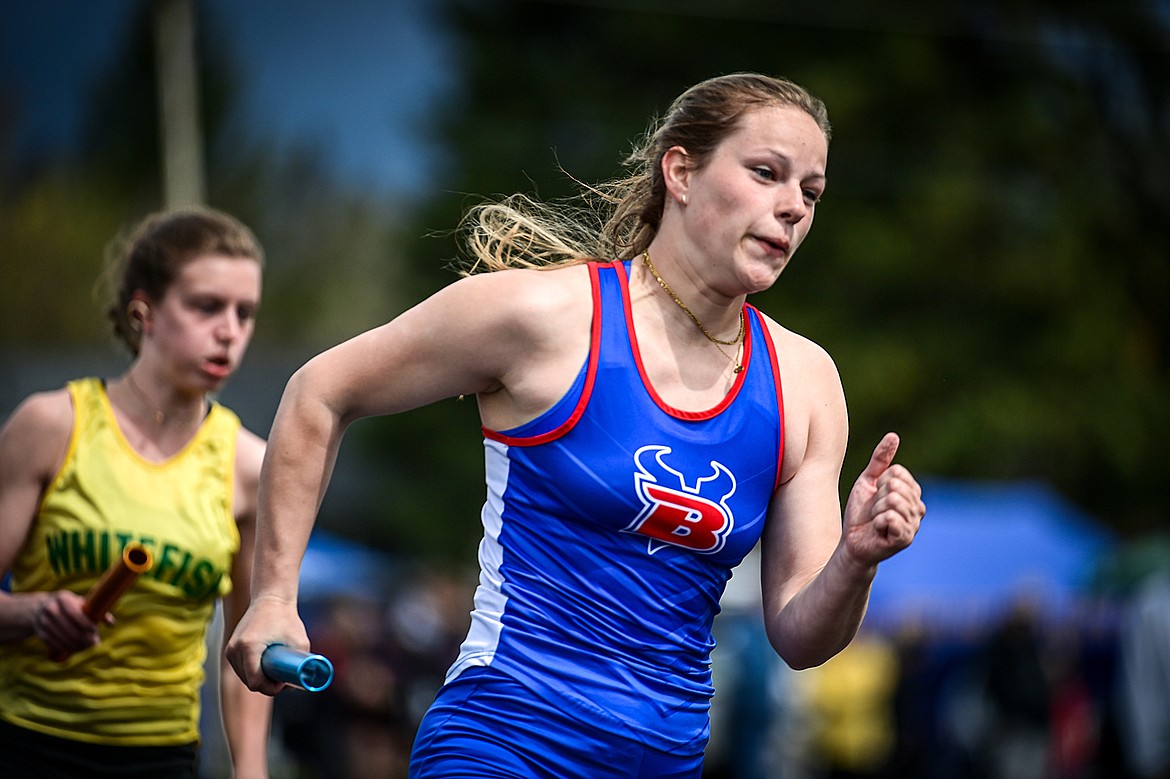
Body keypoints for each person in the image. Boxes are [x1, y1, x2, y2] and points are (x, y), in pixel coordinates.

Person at [227, 72, 927, 778]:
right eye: (766, 174)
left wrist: (855, 560)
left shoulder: (805, 383)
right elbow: (319, 391)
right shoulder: (545, 319)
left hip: (664, 761)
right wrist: (275, 598)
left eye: (810, 193)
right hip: (501, 739)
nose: (791, 209)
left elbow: (801, 636)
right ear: (681, 172)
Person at [0, 207, 273, 778]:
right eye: (206, 306)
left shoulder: (250, 465)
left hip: (163, 758)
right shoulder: (51, 426)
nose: (229, 330)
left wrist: (251, 772)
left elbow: (245, 652)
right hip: (27, 743)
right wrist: (34, 612)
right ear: (143, 311)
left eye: (245, 313)